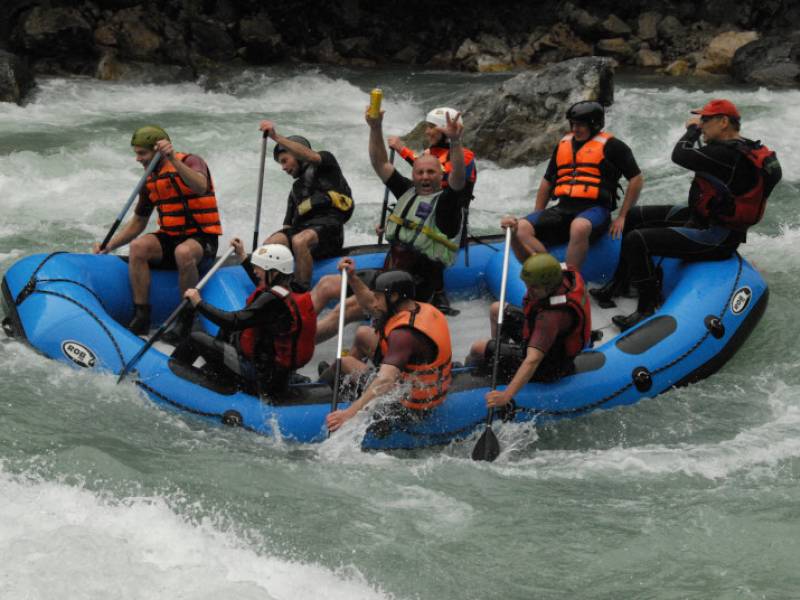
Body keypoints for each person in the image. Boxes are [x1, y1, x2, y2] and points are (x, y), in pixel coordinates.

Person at [595, 99, 782, 331]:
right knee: (633, 216)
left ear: (724, 122)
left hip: (717, 235)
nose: (701, 124)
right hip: (703, 218)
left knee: (637, 240)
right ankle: (620, 285)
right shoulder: (744, 147)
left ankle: (646, 309)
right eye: (699, 120)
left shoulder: (726, 155)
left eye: (705, 120)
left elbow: (680, 155)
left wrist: (691, 129)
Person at [313, 105, 467, 343]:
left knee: (345, 309)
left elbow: (458, 180)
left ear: (441, 175)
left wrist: (455, 142)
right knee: (325, 285)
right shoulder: (409, 191)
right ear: (413, 175)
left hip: (411, 290)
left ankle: (292, 352)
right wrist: (375, 127)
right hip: (388, 275)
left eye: (431, 173)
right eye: (420, 173)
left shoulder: (447, 205)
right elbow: (380, 164)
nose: (425, 177)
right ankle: (292, 328)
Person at [93, 125, 222, 339]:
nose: (137, 159)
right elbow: (138, 223)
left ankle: (185, 317)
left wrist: (173, 159)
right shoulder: (150, 180)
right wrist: (109, 246)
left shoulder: (191, 161)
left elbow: (200, 186)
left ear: (158, 150)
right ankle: (141, 316)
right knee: (139, 247)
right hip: (171, 237)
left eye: (142, 153)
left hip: (201, 238)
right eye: (136, 153)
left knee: (183, 252)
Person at [172, 240, 323, 396]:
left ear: (274, 272)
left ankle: (168, 376)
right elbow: (260, 282)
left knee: (195, 338)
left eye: (260, 267)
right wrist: (243, 256)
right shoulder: (289, 287)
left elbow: (234, 321)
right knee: (225, 335)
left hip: (258, 377)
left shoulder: (273, 301)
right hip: (271, 371)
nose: (256, 270)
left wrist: (199, 303)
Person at [513, 101, 643, 269]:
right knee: (521, 228)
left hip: (596, 210)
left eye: (580, 125)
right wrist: (538, 213)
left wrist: (623, 216)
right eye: (573, 124)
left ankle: (572, 277)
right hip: (563, 209)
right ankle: (551, 270)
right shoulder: (563, 145)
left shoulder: (613, 146)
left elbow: (636, 179)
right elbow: (547, 181)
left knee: (579, 226)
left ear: (595, 125)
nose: (575, 129)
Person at [325, 262, 452, 433]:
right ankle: (346, 385)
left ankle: (328, 388)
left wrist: (349, 414)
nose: (375, 303)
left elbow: (386, 380)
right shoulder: (419, 308)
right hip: (412, 378)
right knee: (363, 334)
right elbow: (369, 302)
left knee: (344, 363)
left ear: (394, 297)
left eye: (378, 297)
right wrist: (353, 278)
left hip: (409, 405)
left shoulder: (404, 335)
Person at [465, 249, 591, 409]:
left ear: (549, 286)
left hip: (547, 365)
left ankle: (470, 372)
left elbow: (532, 360)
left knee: (478, 348)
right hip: (541, 336)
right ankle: (497, 358)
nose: (528, 292)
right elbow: (526, 258)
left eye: (533, 288)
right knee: (497, 309)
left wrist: (506, 396)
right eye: (527, 286)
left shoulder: (550, 318)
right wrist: (515, 232)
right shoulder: (559, 275)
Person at [259, 120, 354, 285]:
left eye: (284, 160)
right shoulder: (295, 191)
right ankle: (273, 290)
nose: (283, 167)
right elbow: (288, 227)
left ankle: (301, 293)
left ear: (297, 154)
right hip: (303, 230)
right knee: (270, 245)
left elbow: (311, 156)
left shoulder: (325, 163)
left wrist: (275, 137)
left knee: (299, 241)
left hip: (330, 230)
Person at [388, 106, 478, 199]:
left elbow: (444, 175)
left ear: (446, 130)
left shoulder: (465, 156)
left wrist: (402, 150)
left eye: (431, 127)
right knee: (392, 178)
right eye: (427, 127)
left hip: (449, 208)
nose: (427, 131)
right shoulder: (432, 152)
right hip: (427, 205)